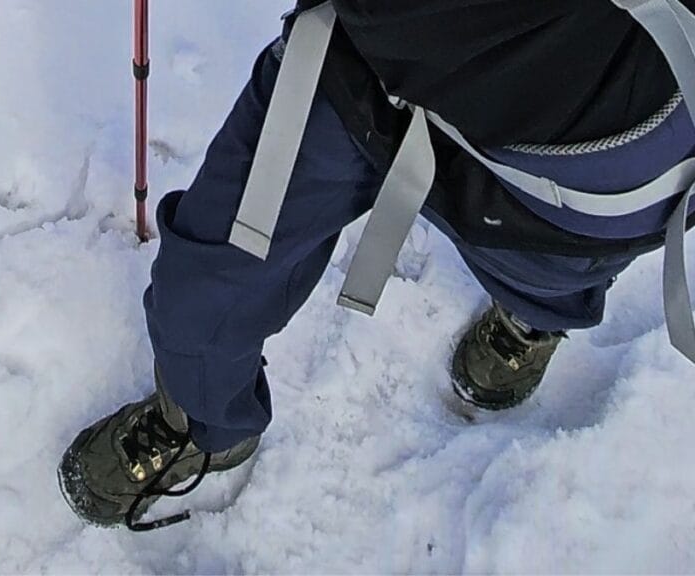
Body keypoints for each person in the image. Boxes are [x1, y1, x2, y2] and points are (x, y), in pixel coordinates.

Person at [58, 0, 695, 530]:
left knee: (551, 273)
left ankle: (532, 318)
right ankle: (203, 418)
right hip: (362, 64)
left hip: (587, 145)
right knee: (208, 287)